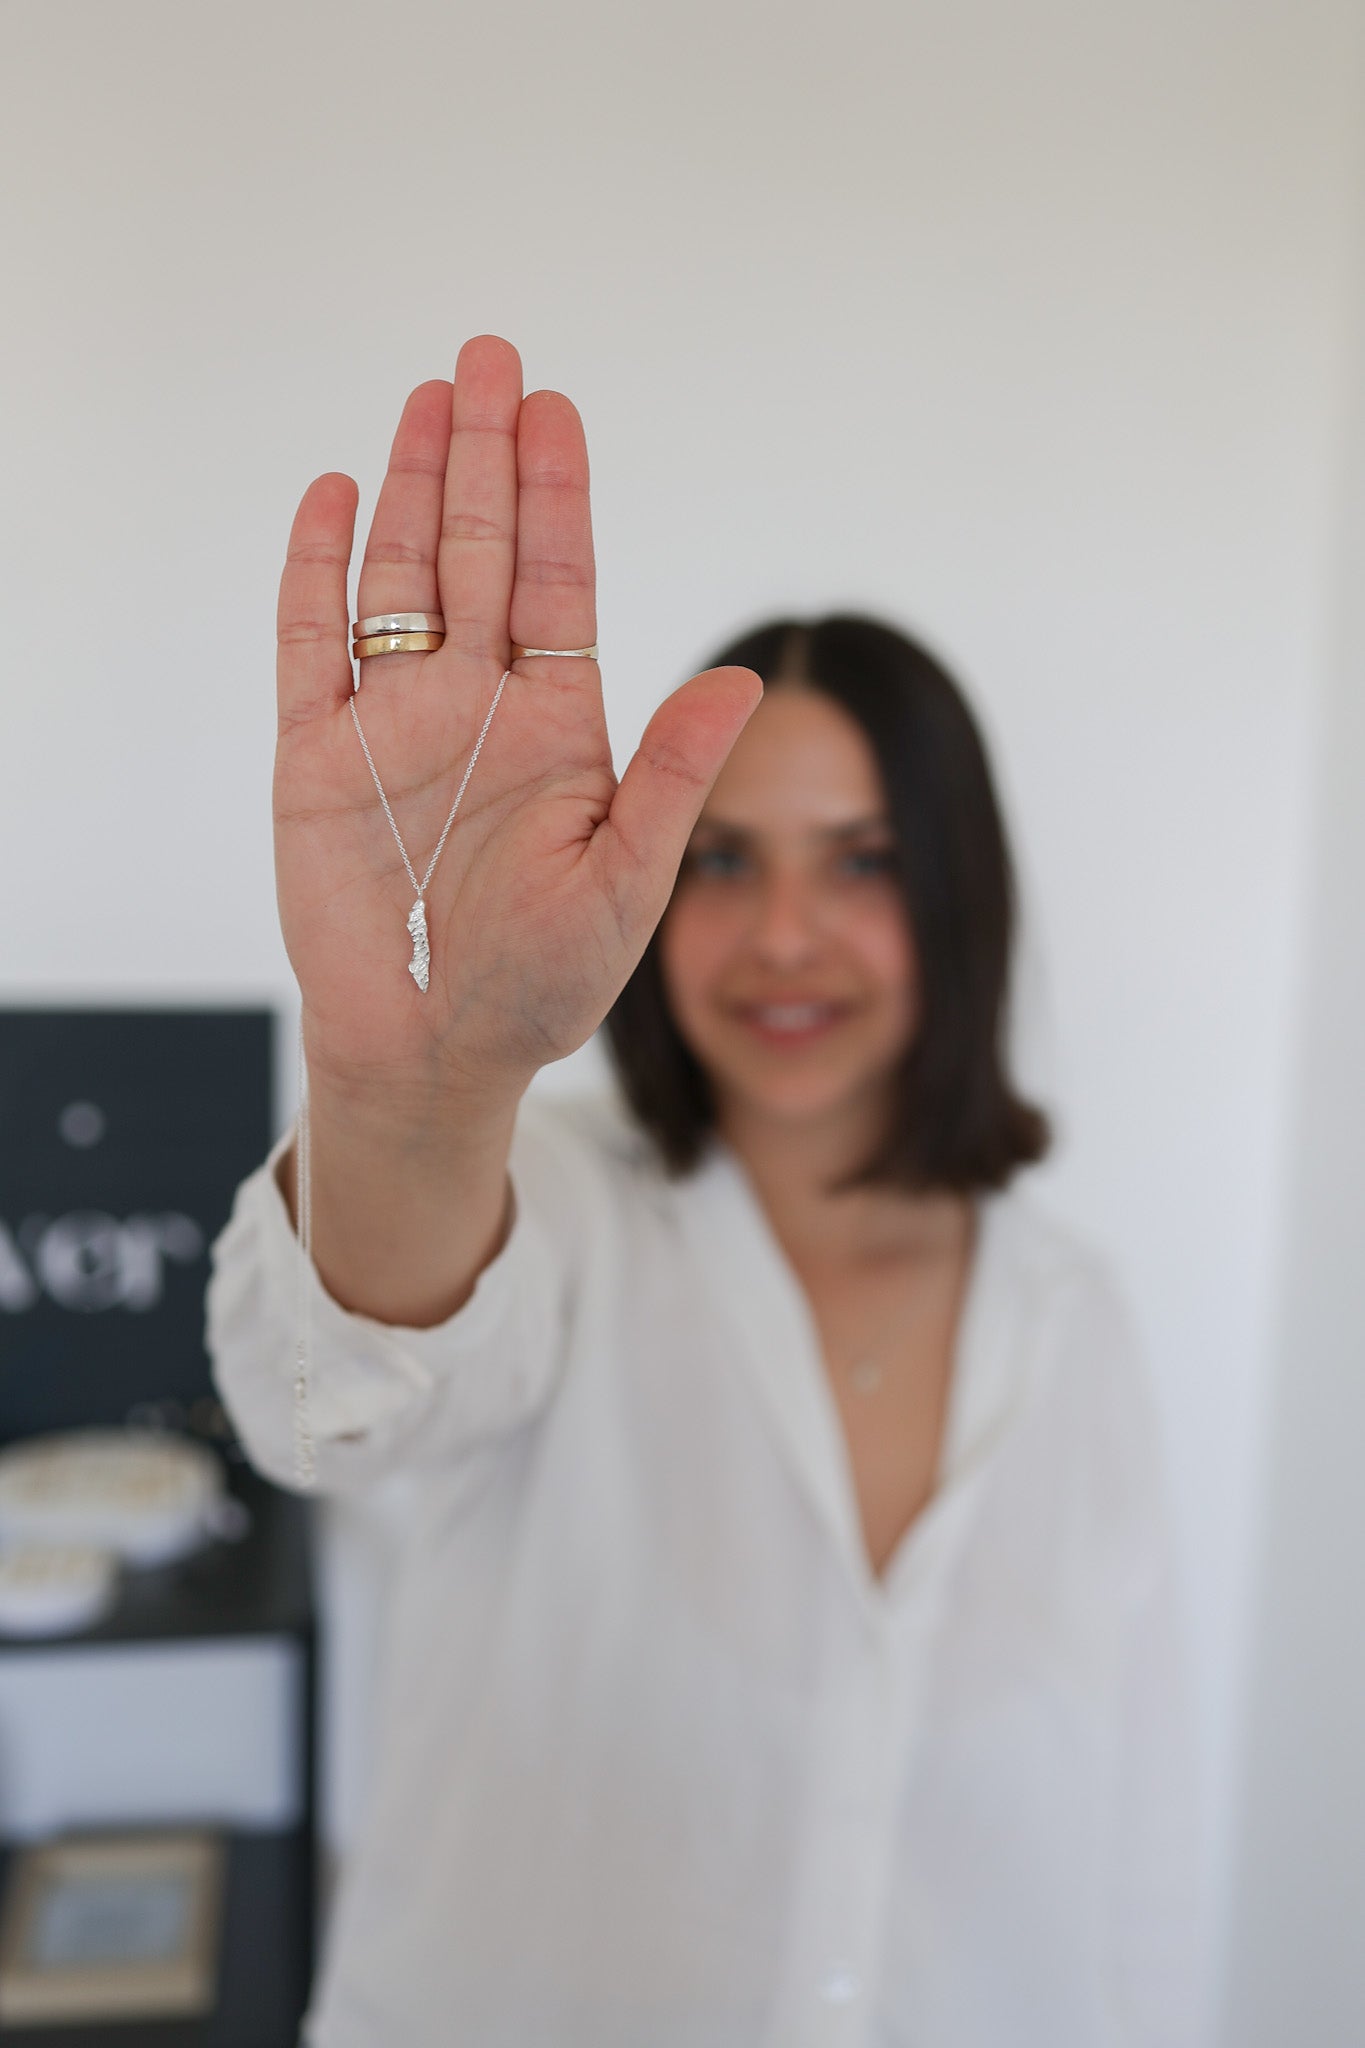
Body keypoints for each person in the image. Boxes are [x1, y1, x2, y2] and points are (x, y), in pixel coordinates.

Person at [207, 335, 1203, 2046]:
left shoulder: (1073, 1322)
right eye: (721, 860)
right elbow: (319, 1409)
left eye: (864, 863)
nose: (785, 938)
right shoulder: (560, 1210)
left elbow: (1136, 1877)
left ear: (959, 902)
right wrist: (417, 1088)